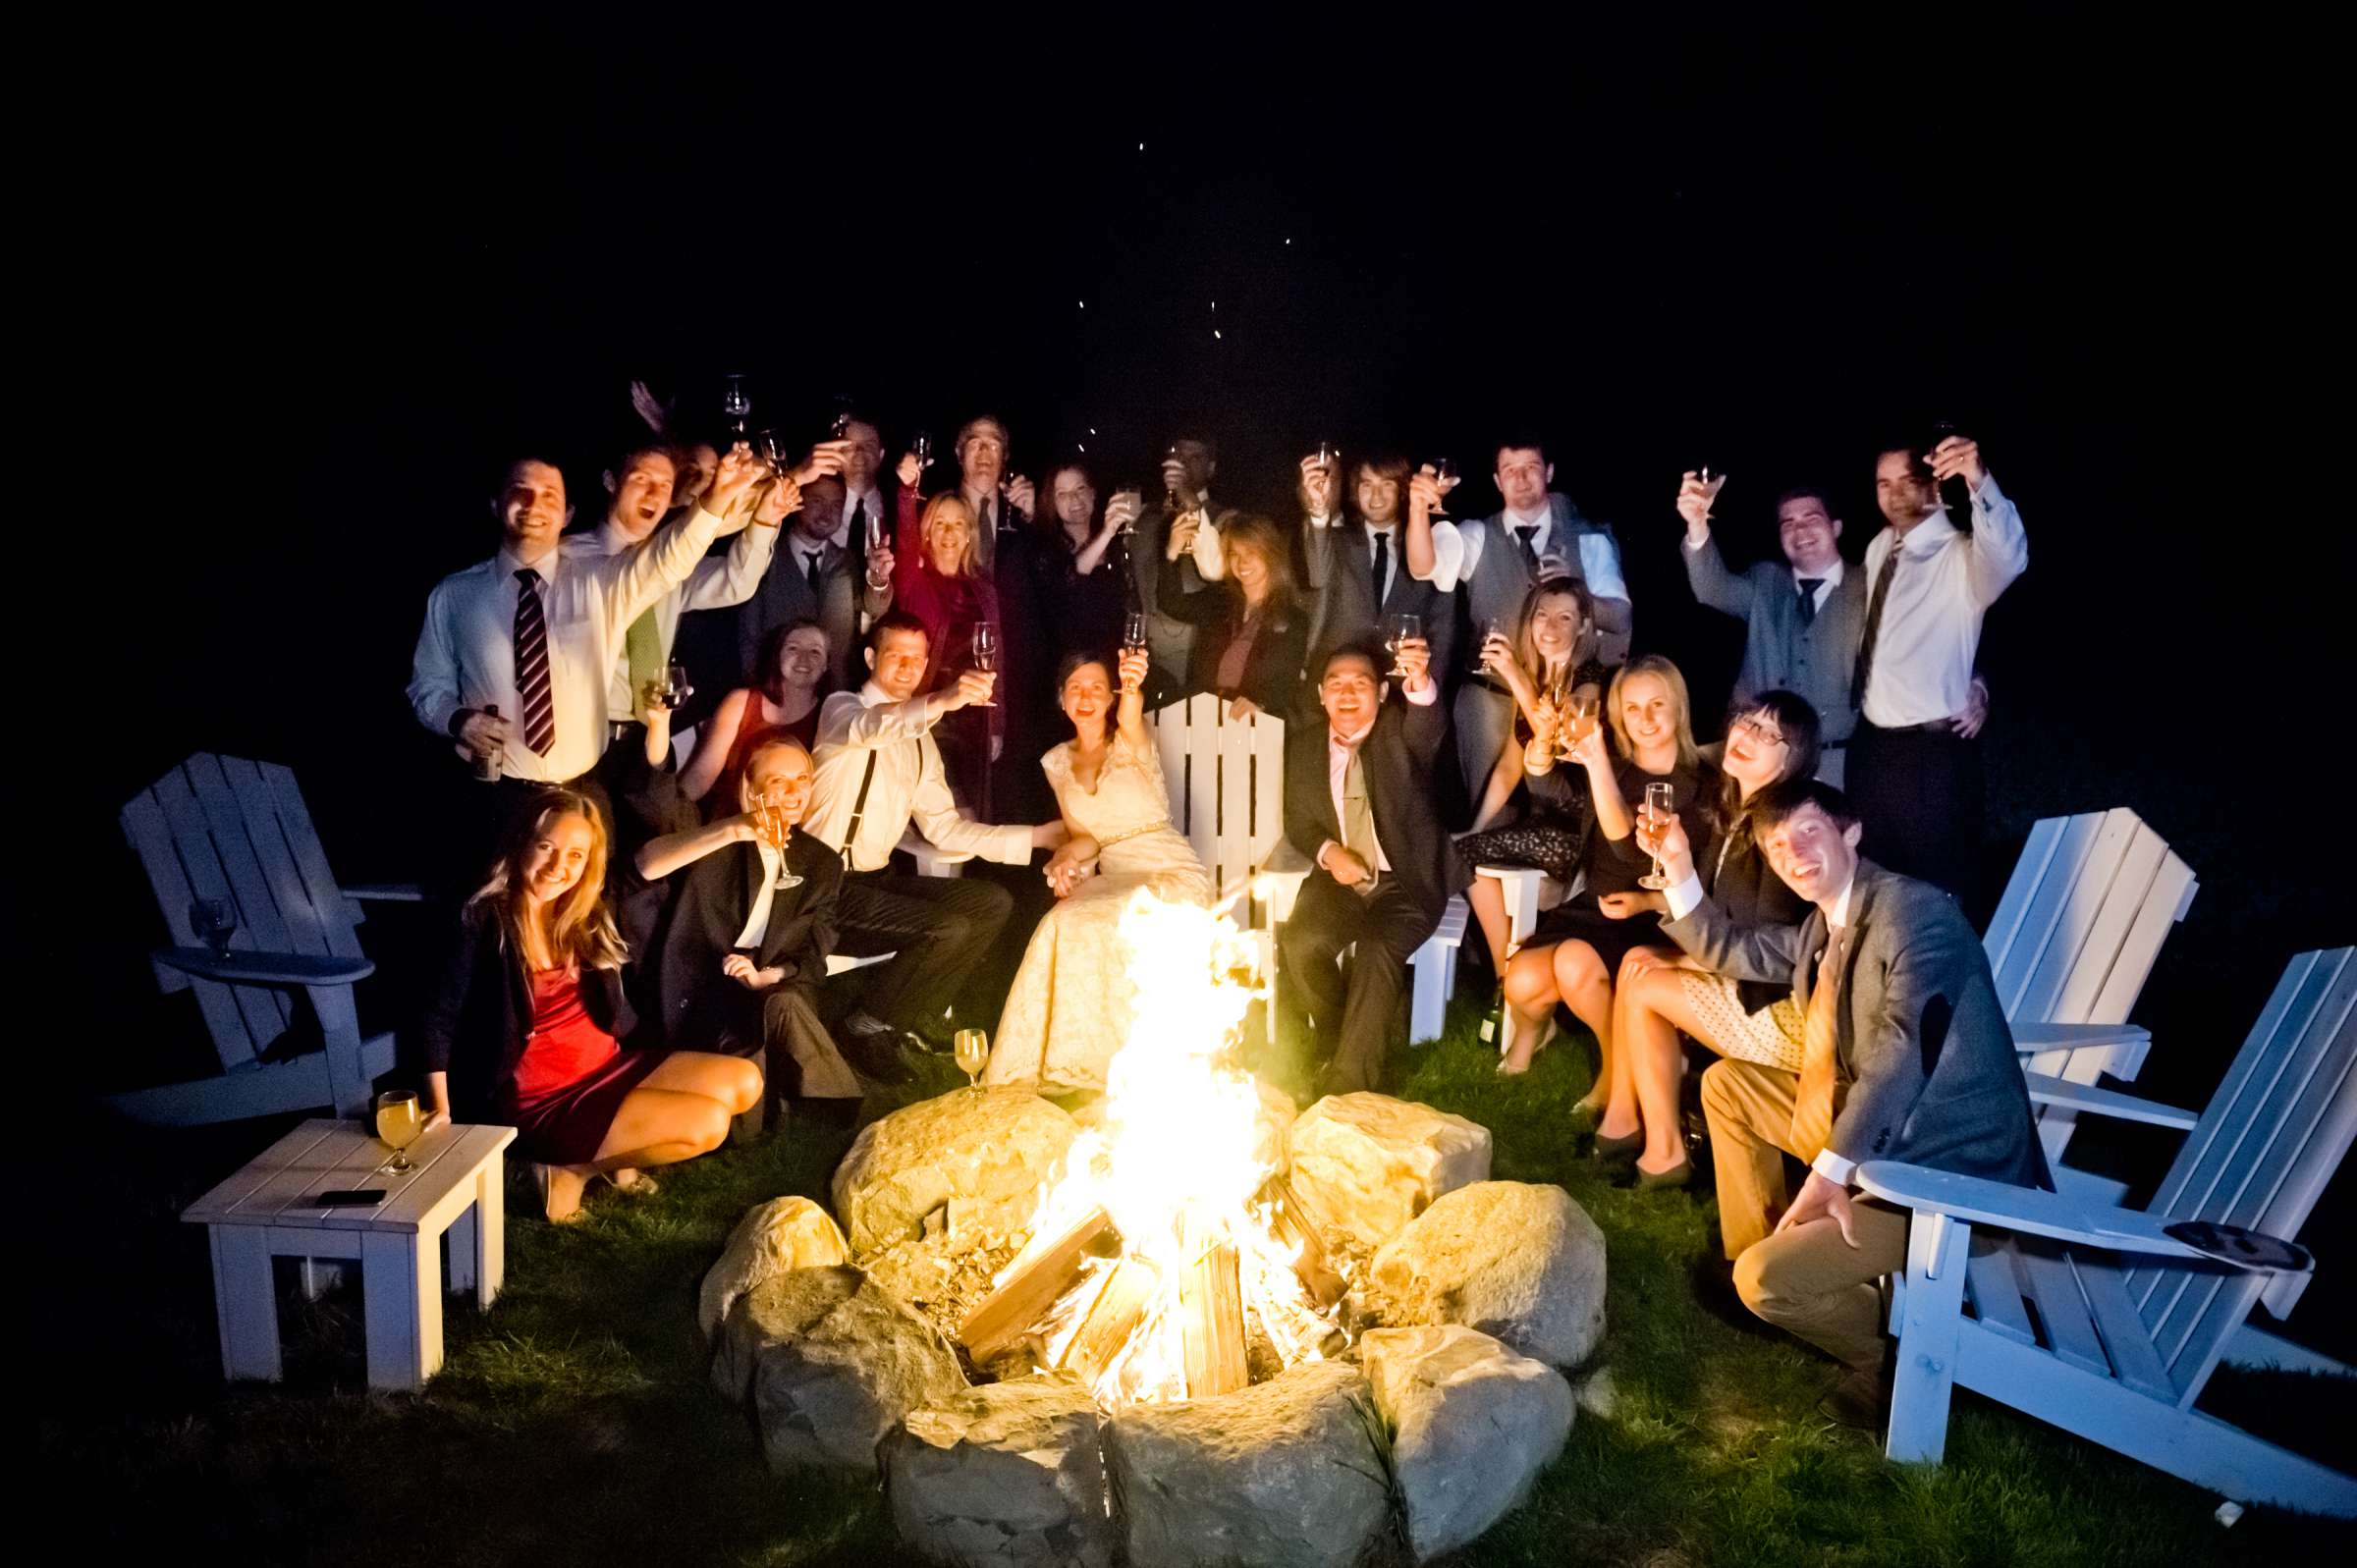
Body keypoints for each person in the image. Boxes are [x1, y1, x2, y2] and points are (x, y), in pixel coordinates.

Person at [1640, 779, 2048, 1427]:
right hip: (1892, 1137)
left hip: (1950, 1173)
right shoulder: (1823, 928)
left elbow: (1905, 1044)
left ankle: (1898, 1356)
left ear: (1849, 830)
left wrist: (1829, 1170)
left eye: (1808, 830)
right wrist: (1681, 870)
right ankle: (1774, 1262)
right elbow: (1730, 949)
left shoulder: (1913, 912)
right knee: (1727, 1084)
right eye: (1777, 847)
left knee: (1763, 1282)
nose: (1793, 853)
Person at [417, 787, 762, 1222]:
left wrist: (735, 827)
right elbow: (437, 1016)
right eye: (546, 847)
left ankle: (613, 1154)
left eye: (576, 855)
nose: (559, 867)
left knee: (746, 1081)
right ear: (521, 842)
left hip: (608, 1066)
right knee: (707, 1125)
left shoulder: (583, 913)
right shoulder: (484, 921)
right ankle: (571, 1170)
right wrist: (442, 1109)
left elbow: (646, 868)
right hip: (545, 1099)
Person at [407, 449, 764, 862]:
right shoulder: (455, 595)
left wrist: (716, 500)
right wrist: (458, 719)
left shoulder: (602, 582)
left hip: (582, 790)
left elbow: (669, 558)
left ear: (568, 514)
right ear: (495, 503)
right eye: (520, 491)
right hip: (496, 796)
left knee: (583, 914)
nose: (534, 504)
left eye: (549, 496)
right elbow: (426, 686)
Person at [805, 612, 1067, 1054]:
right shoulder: (841, 709)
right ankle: (865, 1027)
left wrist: (1037, 837)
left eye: (918, 658)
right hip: (823, 891)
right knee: (947, 928)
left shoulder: (922, 742)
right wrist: (945, 699)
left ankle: (910, 1015)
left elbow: (945, 828)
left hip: (876, 882)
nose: (908, 667)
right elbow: (876, 727)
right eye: (896, 655)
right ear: (871, 657)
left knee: (990, 903)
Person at [1593, 691, 1823, 1189]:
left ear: (1794, 758)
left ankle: (1662, 1152)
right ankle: (1626, 1119)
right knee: (1637, 959)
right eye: (1748, 722)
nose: (1748, 736)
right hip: (1738, 975)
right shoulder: (1735, 809)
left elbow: (1773, 951)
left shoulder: (1781, 830)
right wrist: (1651, 899)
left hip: (1777, 1011)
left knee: (1645, 983)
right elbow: (1709, 908)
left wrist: (1694, 963)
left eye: (1769, 734)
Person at [986, 647, 1213, 1089]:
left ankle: (1137, 1064)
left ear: (1109, 698)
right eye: (1076, 688)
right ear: (1063, 698)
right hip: (1112, 872)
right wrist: (1066, 859)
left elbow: (1133, 712)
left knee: (1119, 916)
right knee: (1062, 920)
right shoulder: (1055, 762)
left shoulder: (1130, 738)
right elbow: (1084, 836)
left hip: (1167, 870)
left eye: (1096, 687)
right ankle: (1067, 1066)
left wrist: (1131, 684)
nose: (1086, 696)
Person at [1498, 656, 1718, 1087]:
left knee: (1575, 962)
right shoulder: (1617, 766)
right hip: (1591, 908)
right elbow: (1550, 792)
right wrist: (1542, 745)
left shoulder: (1702, 785)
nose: (1646, 719)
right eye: (1633, 709)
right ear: (1618, 715)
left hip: (1650, 923)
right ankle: (1532, 1036)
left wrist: (1597, 762)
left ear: (1679, 708)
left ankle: (1614, 1071)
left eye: (1657, 704)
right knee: (1522, 978)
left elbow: (1632, 854)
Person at [633, 736, 867, 1111]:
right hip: (701, 975)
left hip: (771, 979)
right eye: (778, 781)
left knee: (784, 1001)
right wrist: (731, 829)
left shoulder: (822, 862)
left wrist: (769, 975)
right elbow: (653, 820)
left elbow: (817, 950)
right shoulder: (712, 835)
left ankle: (834, 1105)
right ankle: (802, 1100)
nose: (794, 793)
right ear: (749, 787)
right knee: (744, 1050)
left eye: (802, 779)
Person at [1277, 637, 1466, 1095]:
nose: (1346, 694)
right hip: (1339, 884)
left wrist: (1419, 683)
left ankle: (1347, 1087)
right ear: (1321, 694)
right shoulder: (1304, 748)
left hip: (1405, 883)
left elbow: (1429, 725)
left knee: (1378, 951)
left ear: (1382, 692)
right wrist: (1329, 852)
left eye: (1360, 684)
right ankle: (1336, 1033)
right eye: (1335, 684)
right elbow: (1300, 821)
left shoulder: (1403, 733)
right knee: (1302, 943)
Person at [1399, 438, 1633, 798]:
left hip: (1563, 706)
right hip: (1489, 700)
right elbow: (1422, 566)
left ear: (1549, 472)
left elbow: (1619, 619)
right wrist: (1418, 509)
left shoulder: (1588, 540)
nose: (1521, 478)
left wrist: (1578, 585)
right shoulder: (1478, 534)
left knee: (1563, 807)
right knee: (1492, 809)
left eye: (1531, 468)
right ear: (1497, 481)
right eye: (1510, 471)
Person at [1847, 430, 2027, 893]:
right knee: (1875, 883)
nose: (1893, 493)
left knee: (1939, 890)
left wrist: (1978, 481)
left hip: (1933, 758)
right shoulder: (1879, 548)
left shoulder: (1961, 555)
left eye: (1907, 480)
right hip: (1872, 750)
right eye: (1883, 483)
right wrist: (1977, 677)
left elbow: (2008, 558)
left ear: (1934, 483)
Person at [562, 439, 813, 730]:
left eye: (665, 485)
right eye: (641, 479)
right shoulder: (568, 559)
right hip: (583, 730)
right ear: (611, 480)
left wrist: (765, 521)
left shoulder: (673, 562)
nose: (653, 494)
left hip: (652, 734)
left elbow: (736, 582)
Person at [1453, 576, 1610, 974]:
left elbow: (1556, 735)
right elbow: (1510, 766)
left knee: (1463, 856)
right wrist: (1477, 827)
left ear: (1584, 626)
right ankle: (1511, 972)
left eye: (1564, 617)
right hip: (1543, 821)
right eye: (1542, 614)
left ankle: (1508, 978)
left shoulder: (1591, 679)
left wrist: (1514, 675)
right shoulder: (1538, 680)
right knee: (1462, 849)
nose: (1550, 627)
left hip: (1579, 829)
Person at [1678, 478, 1868, 786]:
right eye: (1788, 523)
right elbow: (1711, 588)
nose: (1800, 531)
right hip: (1756, 760)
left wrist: (1975, 681)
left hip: (1833, 765)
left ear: (1836, 528)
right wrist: (1697, 523)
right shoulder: (1765, 581)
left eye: (1812, 519)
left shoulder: (1867, 586)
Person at [884, 474, 1003, 815]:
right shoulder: (914, 581)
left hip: (974, 720)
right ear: (927, 532)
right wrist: (907, 492)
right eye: (940, 524)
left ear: (969, 534)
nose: (949, 534)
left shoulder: (984, 589)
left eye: (958, 524)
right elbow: (904, 544)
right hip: (929, 713)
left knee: (969, 816)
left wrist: (997, 727)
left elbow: (999, 662)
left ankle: (960, 872)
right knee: (932, 814)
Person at [1297, 452, 1458, 678]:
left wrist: (1431, 687)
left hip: (1399, 688)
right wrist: (1318, 506)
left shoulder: (1426, 549)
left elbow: (1442, 625)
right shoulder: (1337, 540)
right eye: (1366, 485)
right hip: (1339, 681)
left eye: (1387, 485)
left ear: (1402, 490)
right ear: (1356, 490)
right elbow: (1318, 574)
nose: (1376, 496)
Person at [733, 473, 894, 692]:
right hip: (779, 697)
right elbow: (747, 635)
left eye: (836, 505)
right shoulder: (764, 558)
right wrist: (756, 694)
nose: (827, 513)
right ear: (798, 502)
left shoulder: (847, 560)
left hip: (835, 694)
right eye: (817, 501)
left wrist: (878, 578)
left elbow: (874, 607)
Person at [1156, 512, 1311, 722]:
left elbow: (1286, 685)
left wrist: (1261, 703)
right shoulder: (1218, 600)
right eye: (1234, 554)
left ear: (1271, 554)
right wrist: (1171, 553)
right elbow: (1171, 603)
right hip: (1203, 712)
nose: (1242, 562)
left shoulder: (1293, 619)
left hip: (1250, 721)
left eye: (1251, 552)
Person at [684, 620, 832, 815]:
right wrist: (672, 810)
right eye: (793, 648)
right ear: (777, 656)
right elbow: (702, 774)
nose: (803, 658)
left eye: (815, 651)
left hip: (793, 828)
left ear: (826, 664)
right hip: (730, 821)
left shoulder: (829, 715)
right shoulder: (741, 702)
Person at [1128, 433, 1231, 689]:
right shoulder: (1144, 515)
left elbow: (1215, 570)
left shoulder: (1226, 517)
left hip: (1195, 654)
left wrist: (1186, 495)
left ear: (1211, 467)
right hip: (1143, 653)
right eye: (1179, 457)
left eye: (1194, 458)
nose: (1184, 464)